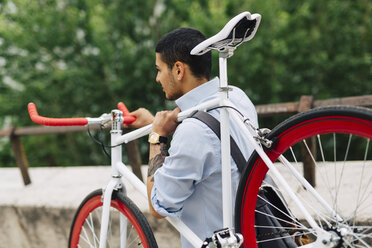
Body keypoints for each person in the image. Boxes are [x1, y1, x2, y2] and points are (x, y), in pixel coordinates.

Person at [127, 27, 258, 247]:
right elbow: (212, 142)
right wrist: (154, 122)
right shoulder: (236, 96)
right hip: (255, 234)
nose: (157, 78)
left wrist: (156, 136)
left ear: (178, 70)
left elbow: (158, 205)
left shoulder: (193, 131)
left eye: (159, 70)